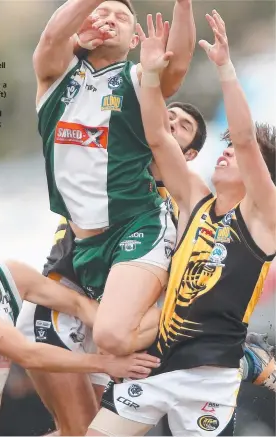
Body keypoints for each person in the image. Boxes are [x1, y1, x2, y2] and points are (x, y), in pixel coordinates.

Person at [86, 10, 276, 436]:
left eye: (240, 156)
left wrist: (225, 66)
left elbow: (245, 139)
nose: (227, 152)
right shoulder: (195, 201)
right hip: (159, 362)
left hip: (210, 377)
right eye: (222, 148)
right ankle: (251, 355)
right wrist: (150, 77)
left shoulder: (265, 216)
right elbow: (158, 138)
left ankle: (246, 357)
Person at [17, 98, 207, 435]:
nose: (172, 123)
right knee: (80, 430)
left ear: (190, 154)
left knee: (83, 431)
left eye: (183, 126)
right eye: (169, 115)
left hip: (107, 327)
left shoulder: (185, 209)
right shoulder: (112, 175)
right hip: (62, 310)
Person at [34, 0, 196, 361]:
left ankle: (206, 308)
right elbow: (52, 36)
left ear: (135, 38)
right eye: (100, 12)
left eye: (121, 17)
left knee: (112, 337)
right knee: (111, 352)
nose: (110, 19)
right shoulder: (56, 72)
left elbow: (179, 60)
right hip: (87, 245)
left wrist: (183, 5)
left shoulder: (141, 79)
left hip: (136, 225)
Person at [0, 195, 159, 437]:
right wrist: (107, 364)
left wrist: (122, 333)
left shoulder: (11, 274)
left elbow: (77, 304)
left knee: (82, 433)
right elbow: (28, 355)